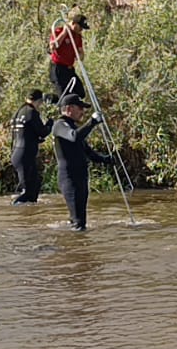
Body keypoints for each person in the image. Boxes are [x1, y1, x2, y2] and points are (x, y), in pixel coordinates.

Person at [52, 94, 114, 231]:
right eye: (80, 108)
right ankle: (77, 249)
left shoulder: (72, 126)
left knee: (80, 220)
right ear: (69, 109)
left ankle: (76, 245)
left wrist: (106, 159)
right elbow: (74, 137)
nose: (83, 112)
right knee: (78, 223)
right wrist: (92, 122)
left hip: (80, 178)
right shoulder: (60, 125)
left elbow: (88, 152)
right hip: (69, 179)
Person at [9, 89, 52, 204]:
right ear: (38, 101)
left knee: (35, 185)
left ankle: (30, 214)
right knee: (27, 191)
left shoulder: (19, 112)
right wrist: (50, 123)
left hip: (18, 153)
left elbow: (24, 133)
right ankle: (12, 208)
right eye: (40, 102)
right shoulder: (31, 112)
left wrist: (35, 139)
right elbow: (42, 131)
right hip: (24, 154)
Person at [48, 13, 90, 101]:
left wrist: (81, 54)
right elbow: (53, 47)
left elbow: (80, 54)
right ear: (74, 24)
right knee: (64, 97)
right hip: (58, 68)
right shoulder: (59, 31)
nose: (81, 30)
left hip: (69, 69)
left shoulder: (77, 36)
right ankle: (52, 101)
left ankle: (73, 106)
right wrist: (64, 33)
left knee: (80, 92)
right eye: (80, 27)